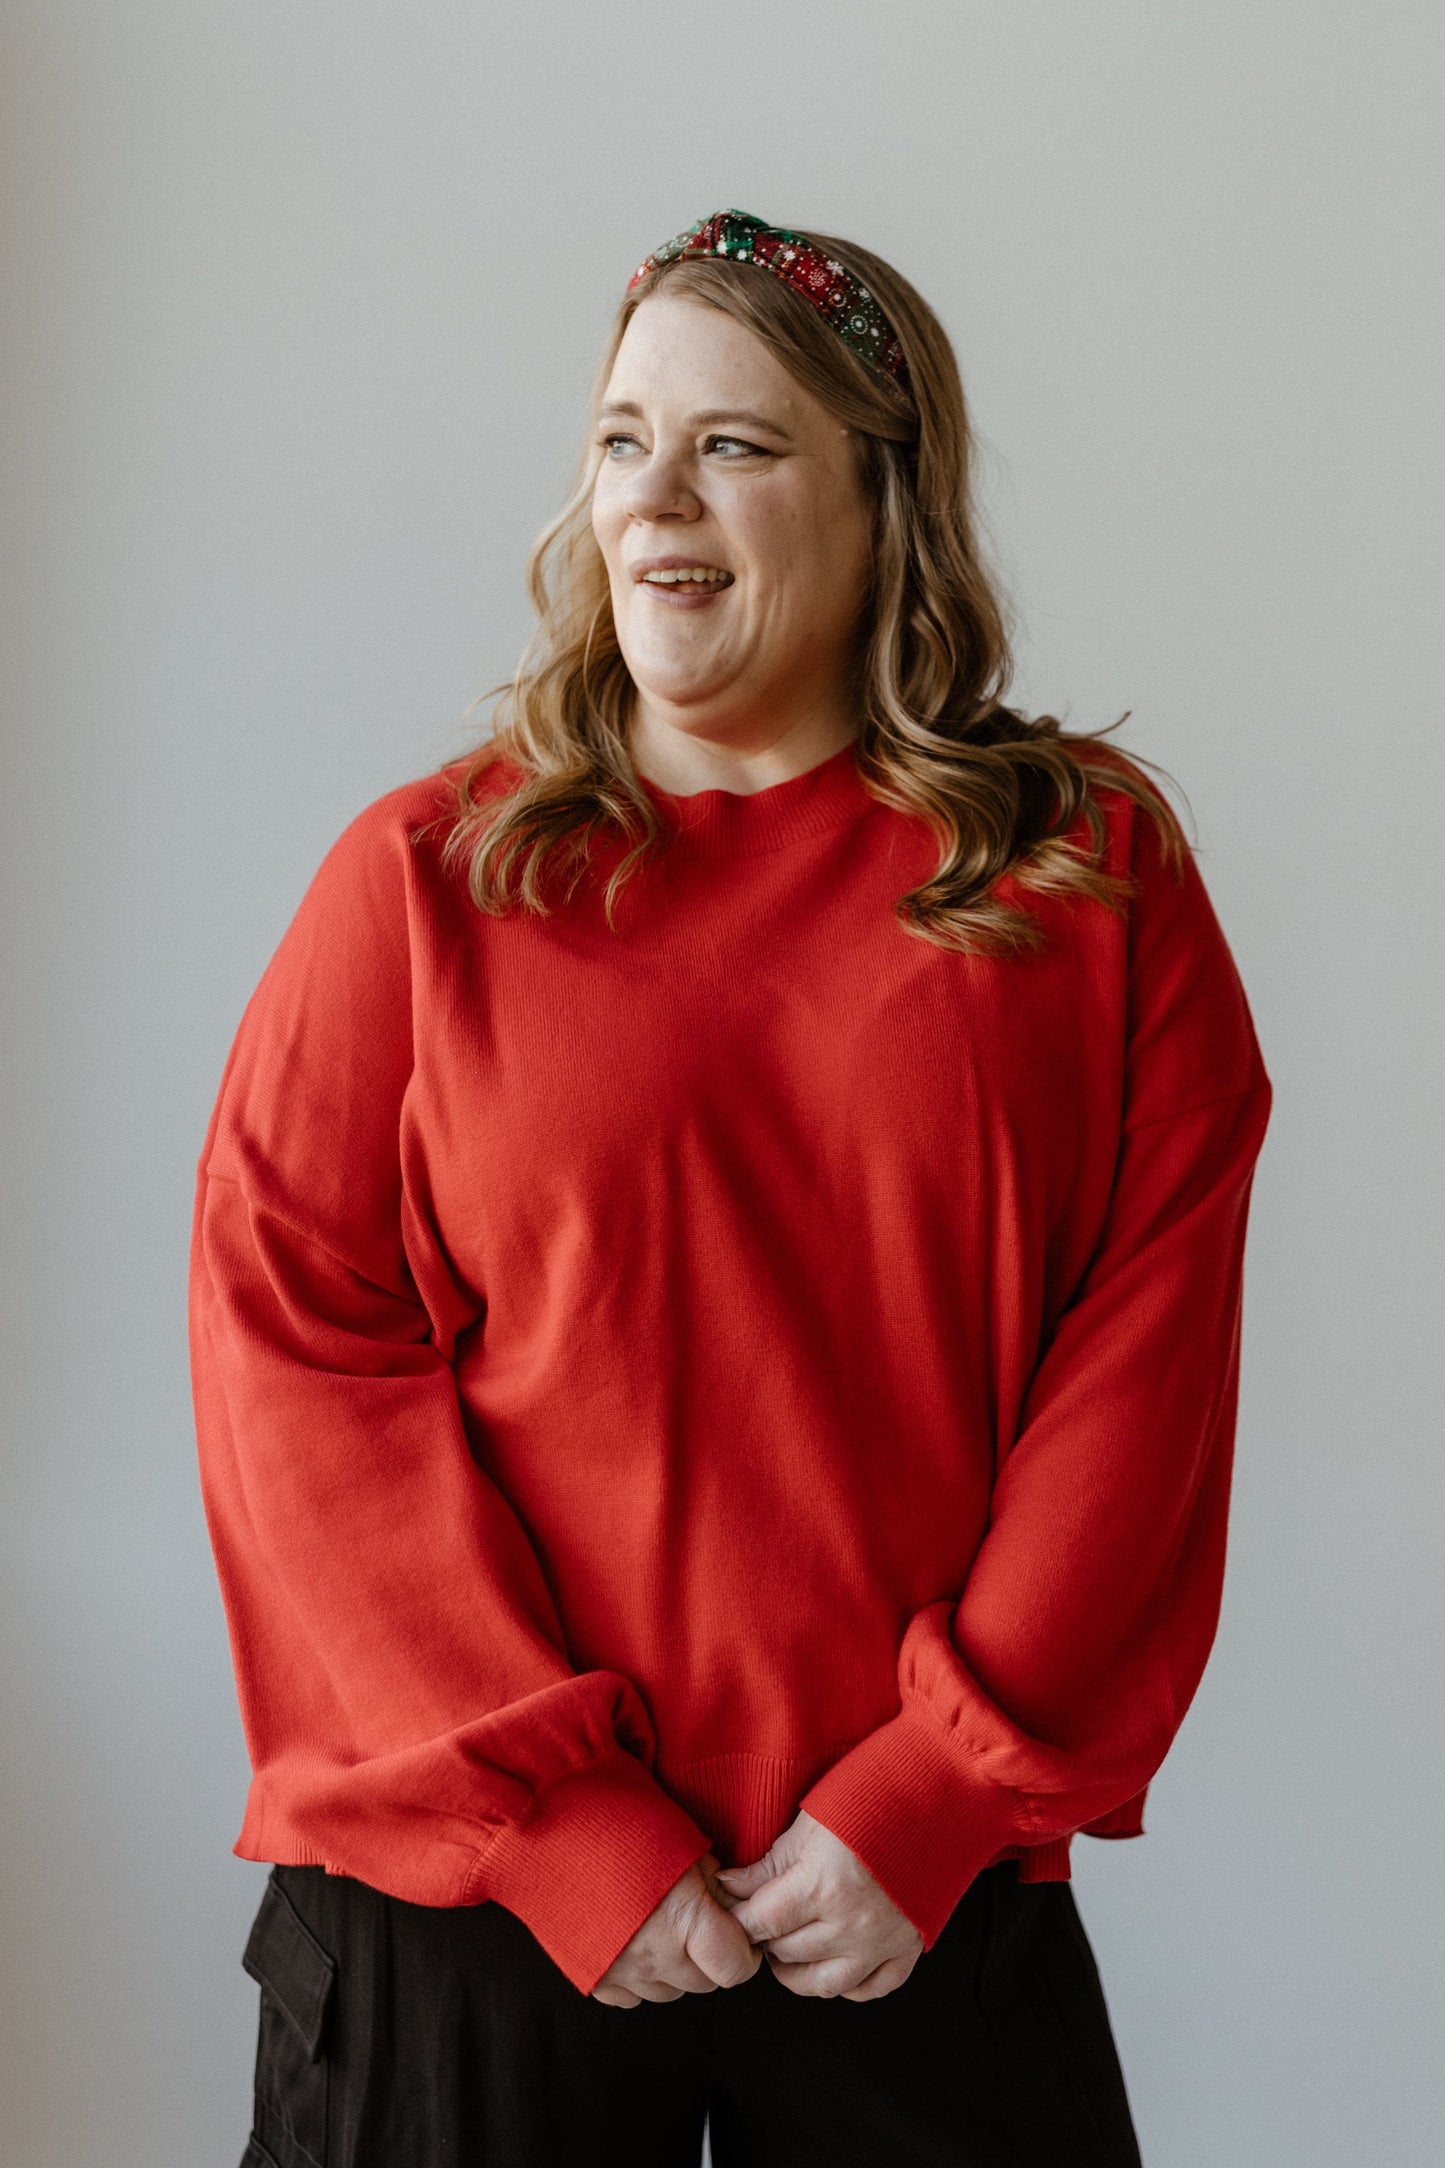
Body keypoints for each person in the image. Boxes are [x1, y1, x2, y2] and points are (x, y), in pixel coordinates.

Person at [188, 208, 1272, 2168]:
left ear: (884, 488)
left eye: (737, 445)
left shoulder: (1086, 882)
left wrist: (928, 1799)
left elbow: (1147, 1371)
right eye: (622, 440)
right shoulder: (424, 883)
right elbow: (297, 1381)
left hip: (903, 1908)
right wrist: (564, 1829)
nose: (656, 501)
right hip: (475, 1904)